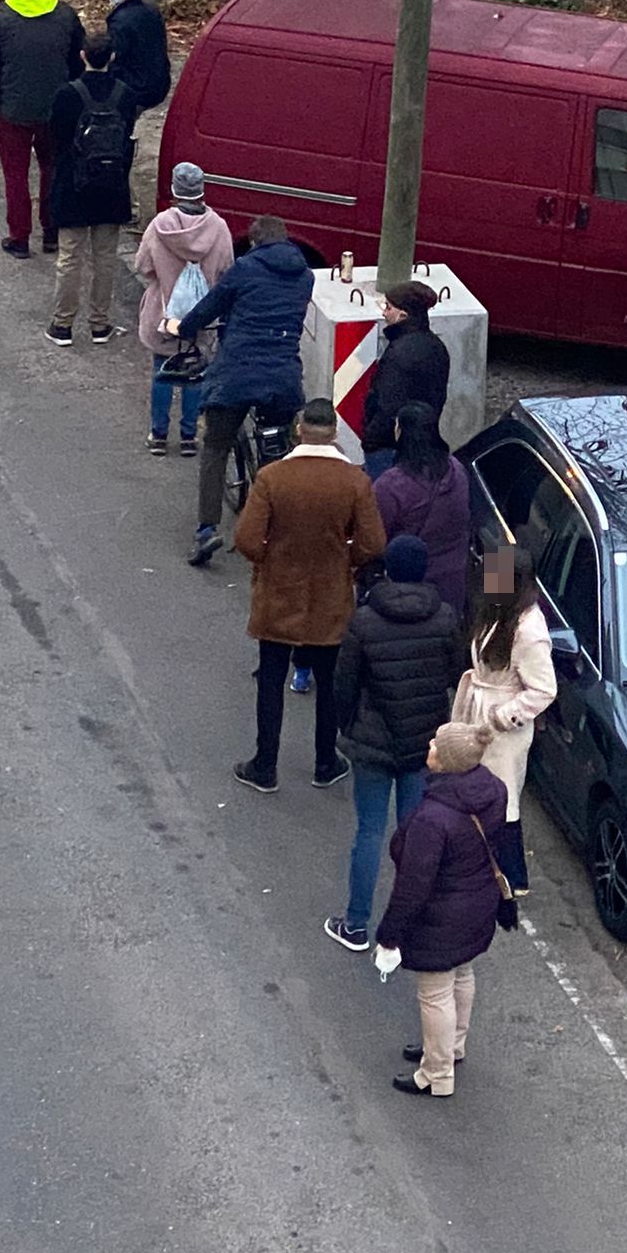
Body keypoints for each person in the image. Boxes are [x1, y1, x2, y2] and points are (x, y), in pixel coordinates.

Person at [229, 396, 386, 792]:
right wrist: (344, 559)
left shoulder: (272, 478)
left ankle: (265, 764)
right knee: (329, 684)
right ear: (334, 434)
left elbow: (246, 539)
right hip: (330, 597)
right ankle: (324, 761)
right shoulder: (354, 481)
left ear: (299, 428)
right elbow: (372, 543)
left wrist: (270, 558)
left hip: (278, 594)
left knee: (271, 682)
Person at [325, 534, 466, 953]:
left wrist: (347, 725)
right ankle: (410, 922)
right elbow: (453, 674)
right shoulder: (444, 617)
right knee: (414, 836)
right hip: (421, 744)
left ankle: (355, 924)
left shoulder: (365, 619)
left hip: (372, 742)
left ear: (388, 569)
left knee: (368, 831)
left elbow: (344, 683)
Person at [374, 721, 509, 1099]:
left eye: (436, 745)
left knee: (435, 992)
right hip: (478, 904)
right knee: (462, 974)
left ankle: (436, 1073)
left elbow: (412, 887)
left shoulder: (433, 819)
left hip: (441, 916)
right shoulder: (493, 790)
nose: (429, 745)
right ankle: (452, 1046)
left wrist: (389, 934)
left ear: (448, 763)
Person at [173, 216, 315, 567]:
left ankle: (207, 530)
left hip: (237, 371)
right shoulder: (305, 276)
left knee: (217, 446)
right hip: (282, 376)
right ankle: (275, 527)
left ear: (254, 242)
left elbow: (210, 307)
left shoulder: (245, 269)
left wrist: (183, 327)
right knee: (277, 452)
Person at [451, 544, 556, 898]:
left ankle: (511, 878)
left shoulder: (529, 630)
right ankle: (497, 872)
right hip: (482, 715)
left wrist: (501, 718)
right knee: (482, 795)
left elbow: (544, 690)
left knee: (502, 800)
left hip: (502, 732)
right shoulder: (502, 612)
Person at [0, 0, 83, 257]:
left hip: (11, 109)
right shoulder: (65, 14)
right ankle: (51, 232)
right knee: (52, 168)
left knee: (15, 173)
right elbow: (77, 61)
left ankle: (19, 236)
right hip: (55, 109)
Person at [44, 32, 138, 345]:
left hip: (73, 184)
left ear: (83, 55)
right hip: (111, 186)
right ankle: (100, 323)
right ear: (112, 58)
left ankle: (63, 324)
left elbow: (55, 137)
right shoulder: (125, 95)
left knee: (70, 256)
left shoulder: (67, 94)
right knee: (105, 257)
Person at [133, 161, 233, 454]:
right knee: (195, 372)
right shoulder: (218, 227)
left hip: (163, 314)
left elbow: (142, 266)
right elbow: (227, 271)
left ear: (175, 190)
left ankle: (159, 435)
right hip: (200, 315)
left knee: (161, 370)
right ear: (202, 191)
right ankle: (189, 437)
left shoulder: (160, 225)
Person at [372, 404, 471, 615]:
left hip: (403, 594)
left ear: (401, 434)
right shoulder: (457, 471)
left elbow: (375, 539)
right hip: (450, 589)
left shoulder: (391, 485)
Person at [362, 281, 451, 477]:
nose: (384, 313)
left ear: (403, 315)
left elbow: (387, 406)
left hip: (388, 446)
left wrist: (370, 440)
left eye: (388, 307)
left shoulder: (399, 353)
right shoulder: (437, 346)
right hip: (423, 439)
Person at [104, 0, 170, 110]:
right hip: (158, 84)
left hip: (134, 87)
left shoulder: (121, 22)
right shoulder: (152, 12)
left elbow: (114, 57)